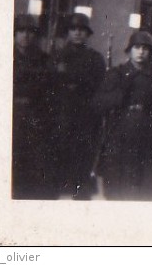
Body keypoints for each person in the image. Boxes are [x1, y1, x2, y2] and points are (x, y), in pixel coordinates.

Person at [94, 30, 152, 201]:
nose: (141, 52)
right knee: (117, 185)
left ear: (150, 52)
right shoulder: (117, 73)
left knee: (146, 187)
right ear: (130, 50)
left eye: (145, 48)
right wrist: (121, 90)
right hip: (120, 133)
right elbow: (100, 103)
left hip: (148, 134)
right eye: (137, 47)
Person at [50, 13, 106, 200]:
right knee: (60, 153)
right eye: (73, 29)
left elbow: (99, 87)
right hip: (62, 113)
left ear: (87, 34)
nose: (77, 34)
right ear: (68, 32)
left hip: (85, 115)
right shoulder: (56, 56)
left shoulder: (95, 58)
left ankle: (81, 192)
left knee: (83, 156)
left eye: (82, 30)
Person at [12, 14, 57, 199]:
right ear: (15, 34)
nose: (26, 36)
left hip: (34, 118)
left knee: (31, 166)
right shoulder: (3, 56)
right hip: (11, 117)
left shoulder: (43, 60)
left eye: (31, 32)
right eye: (21, 31)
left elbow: (49, 91)